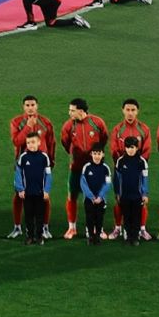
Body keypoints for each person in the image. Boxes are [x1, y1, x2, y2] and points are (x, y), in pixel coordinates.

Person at [6, 96, 57, 241]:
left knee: (44, 196)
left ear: (37, 106)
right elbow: (17, 142)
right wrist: (28, 126)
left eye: (32, 105)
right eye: (27, 105)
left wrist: (51, 160)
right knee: (19, 195)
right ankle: (17, 227)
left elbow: (51, 142)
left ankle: (44, 228)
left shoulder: (45, 122)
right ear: (23, 107)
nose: (30, 107)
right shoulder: (16, 122)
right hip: (24, 165)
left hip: (42, 164)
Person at [61, 98, 108, 240]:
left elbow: (104, 139)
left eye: (72, 110)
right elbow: (65, 143)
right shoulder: (68, 126)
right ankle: (72, 228)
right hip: (76, 167)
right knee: (72, 196)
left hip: (95, 169)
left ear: (81, 111)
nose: (69, 113)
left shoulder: (97, 122)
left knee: (97, 198)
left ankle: (97, 228)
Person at [109, 98, 153, 241]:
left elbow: (147, 150)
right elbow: (114, 150)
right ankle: (118, 228)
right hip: (122, 168)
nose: (130, 113)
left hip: (138, 169)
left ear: (137, 111)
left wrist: (137, 162)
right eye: (127, 110)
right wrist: (123, 162)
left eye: (133, 110)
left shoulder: (144, 129)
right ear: (123, 110)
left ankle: (141, 229)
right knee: (120, 201)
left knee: (141, 201)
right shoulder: (117, 130)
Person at [13, 131, 52, 245]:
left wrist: (46, 190)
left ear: (39, 142)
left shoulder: (44, 157)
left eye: (33, 142)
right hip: (27, 193)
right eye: (28, 142)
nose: (30, 145)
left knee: (40, 215)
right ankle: (30, 236)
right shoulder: (23, 157)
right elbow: (18, 174)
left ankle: (39, 236)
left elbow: (48, 175)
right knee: (28, 215)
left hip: (40, 193)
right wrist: (20, 189)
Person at [113, 137, 148, 246]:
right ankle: (128, 235)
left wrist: (145, 193)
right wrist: (118, 193)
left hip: (137, 196)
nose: (130, 150)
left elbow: (145, 179)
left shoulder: (142, 162)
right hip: (124, 195)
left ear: (137, 148)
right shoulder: (120, 161)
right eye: (128, 147)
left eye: (132, 147)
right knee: (126, 216)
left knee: (136, 216)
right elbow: (117, 179)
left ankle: (135, 236)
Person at [80, 144, 111, 244]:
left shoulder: (106, 168)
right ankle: (90, 236)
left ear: (103, 154)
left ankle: (97, 236)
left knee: (99, 218)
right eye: (95, 154)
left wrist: (100, 196)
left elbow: (108, 183)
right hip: (89, 199)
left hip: (101, 200)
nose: (97, 156)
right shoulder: (86, 167)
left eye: (99, 154)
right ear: (91, 154)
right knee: (89, 217)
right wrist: (91, 196)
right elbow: (83, 183)